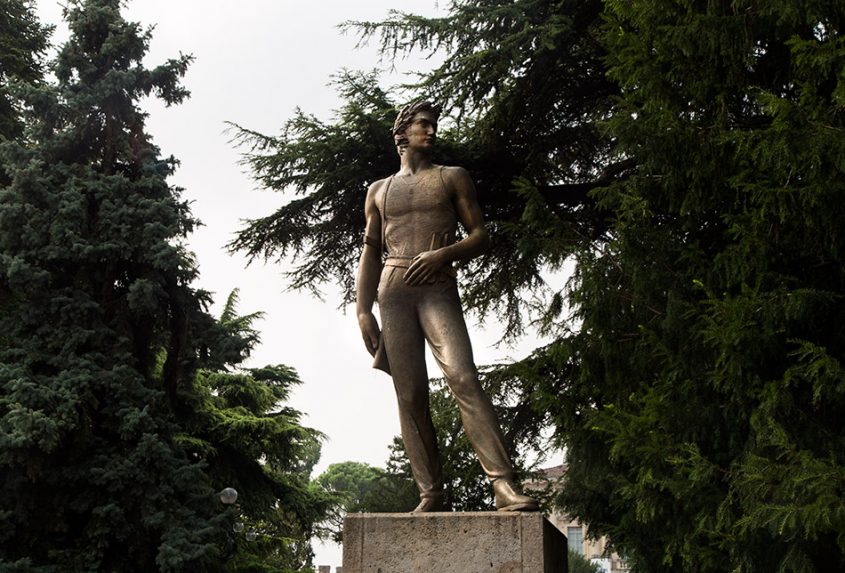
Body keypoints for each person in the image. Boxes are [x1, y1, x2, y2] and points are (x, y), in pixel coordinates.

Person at [355, 100, 538, 512]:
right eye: (423, 124)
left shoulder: (452, 177)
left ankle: (503, 485)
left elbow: (480, 235)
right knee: (409, 394)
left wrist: (444, 254)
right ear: (402, 132)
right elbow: (370, 250)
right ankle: (430, 493)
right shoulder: (379, 190)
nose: (432, 131)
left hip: (436, 286)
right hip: (393, 290)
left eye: (433, 125)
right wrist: (363, 309)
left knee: (463, 376)